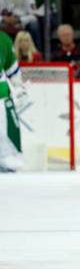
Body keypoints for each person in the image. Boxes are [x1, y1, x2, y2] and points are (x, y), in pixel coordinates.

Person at [0, 30, 26, 172]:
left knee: (4, 132)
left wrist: (19, 87)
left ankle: (7, 159)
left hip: (1, 96)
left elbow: (12, 69)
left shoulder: (3, 39)